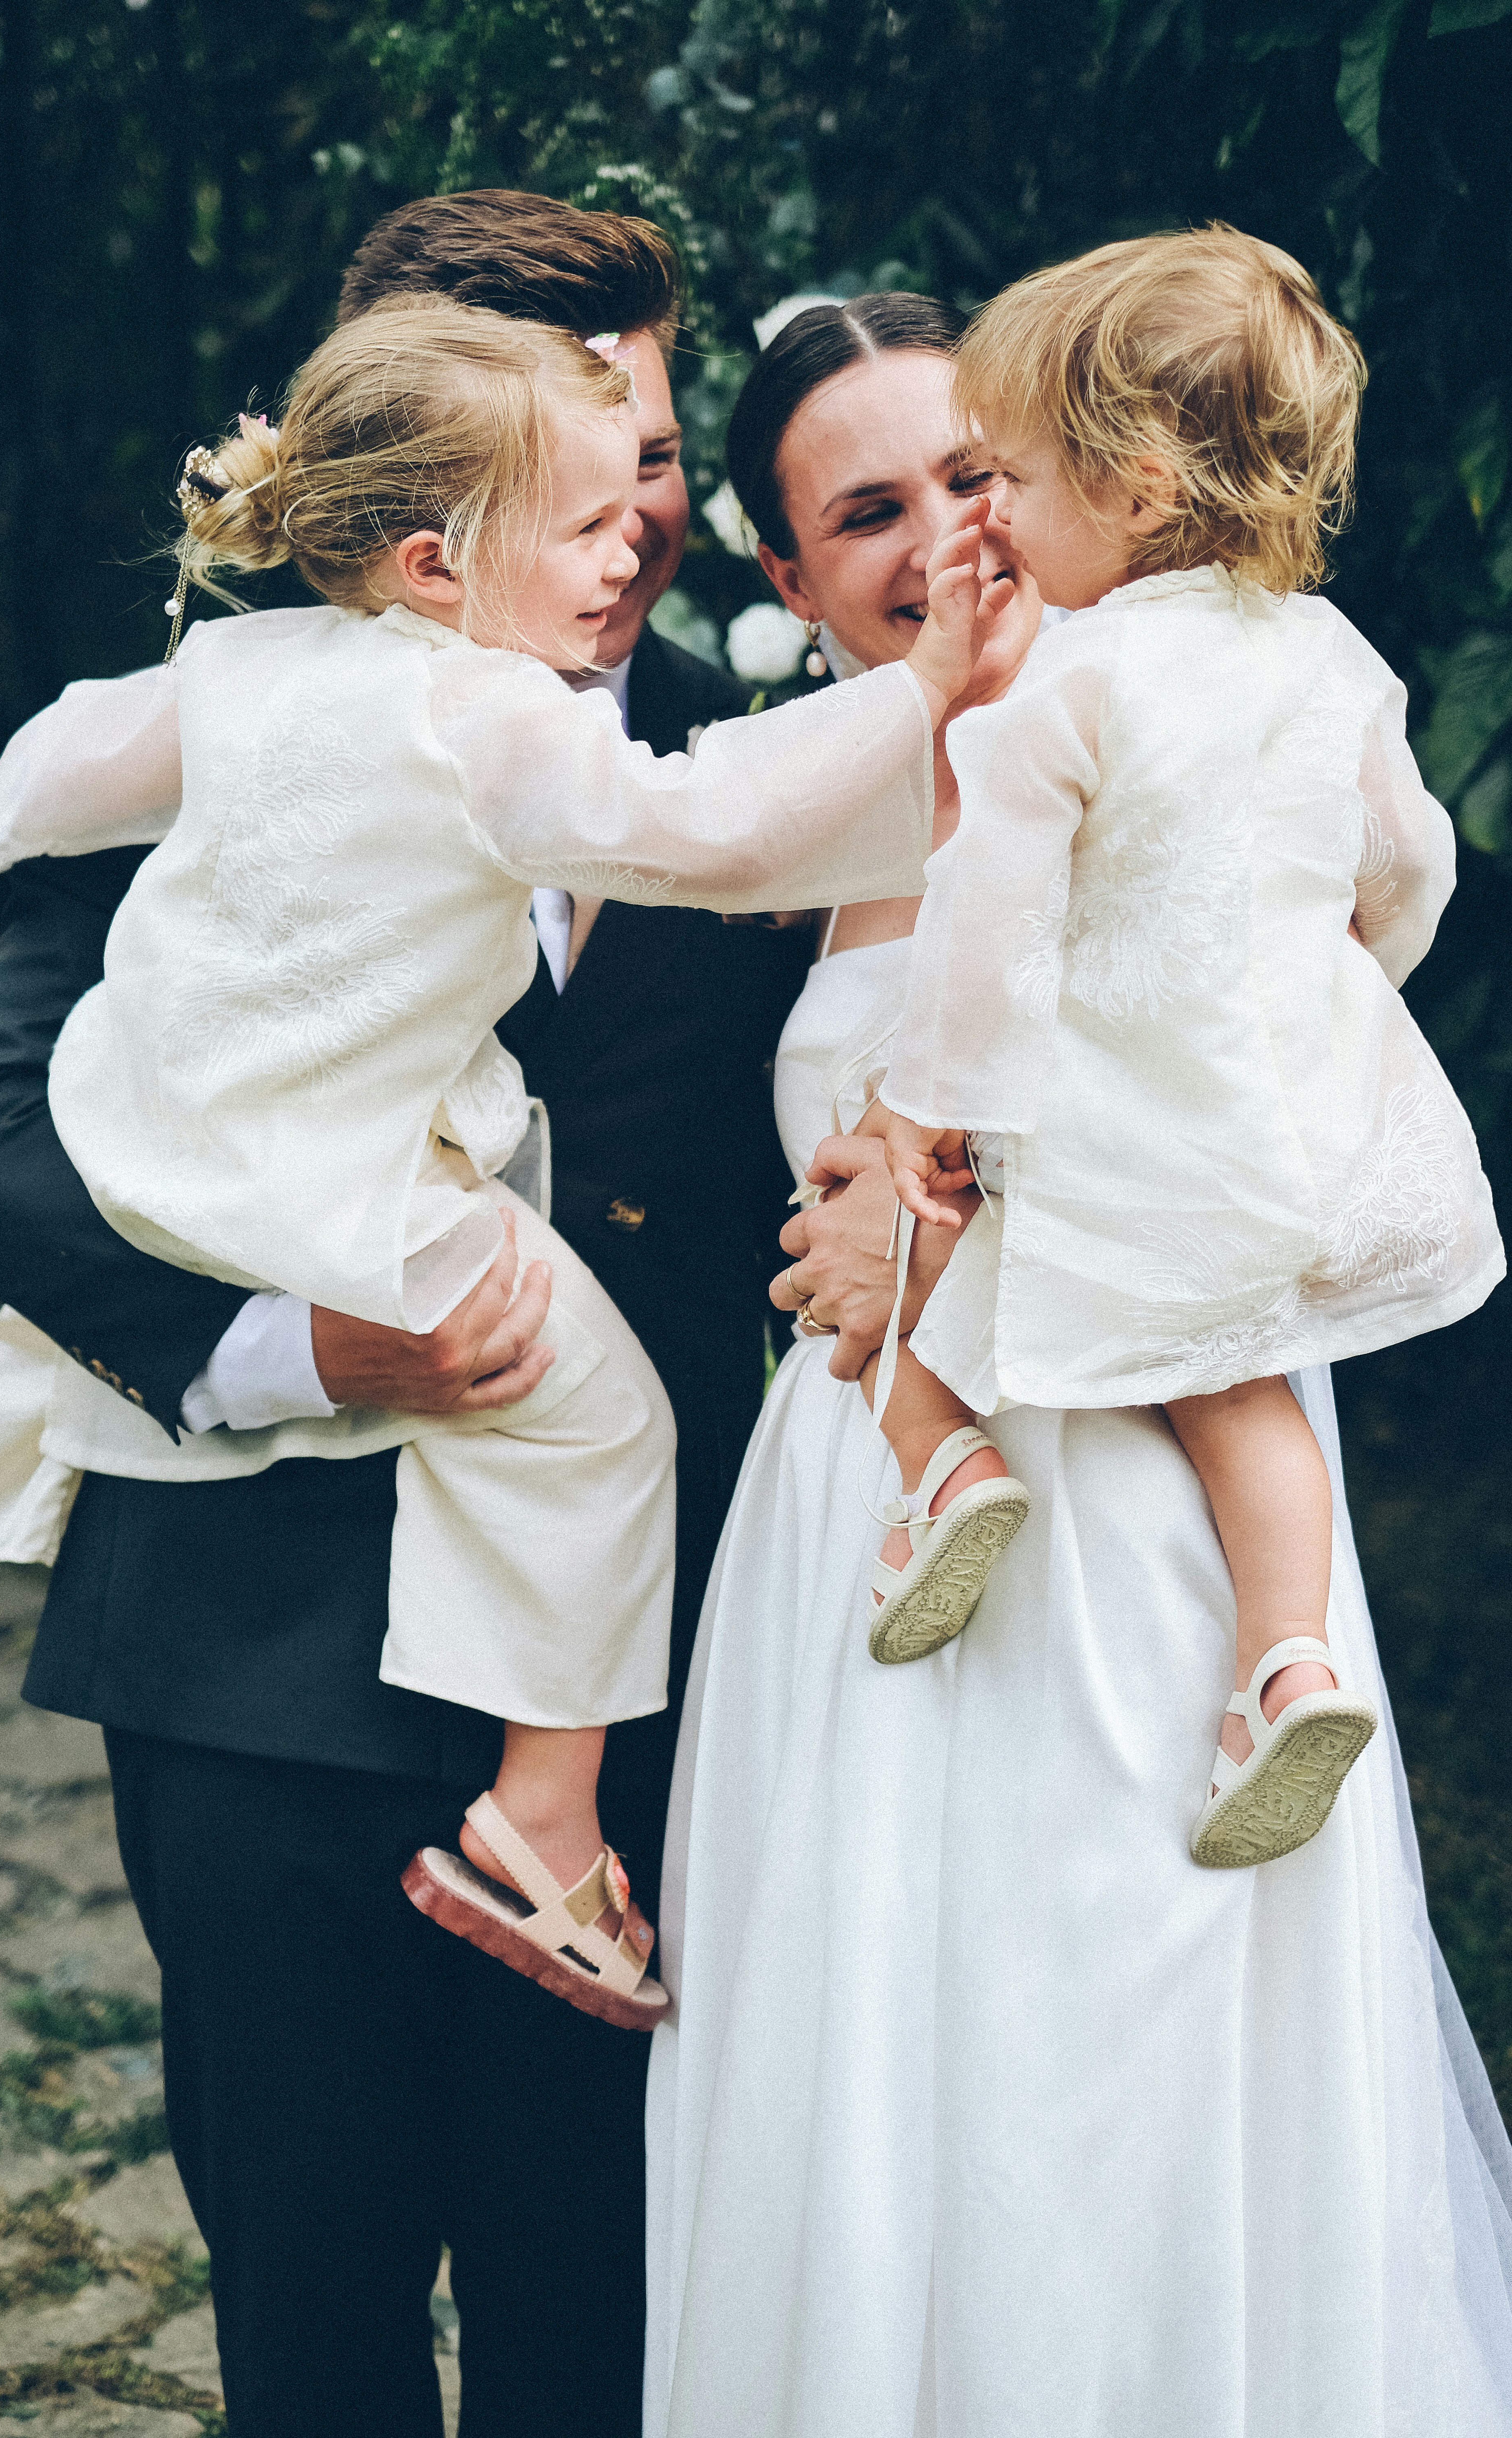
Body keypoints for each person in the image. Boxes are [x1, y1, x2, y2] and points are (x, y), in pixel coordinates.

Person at [0, 194, 806, 2438]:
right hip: (249, 1652)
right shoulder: (253, 714)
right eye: (582, 453)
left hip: (633, 1693)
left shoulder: (743, 769)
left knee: (607, 2288)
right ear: (413, 485)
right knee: (308, 2301)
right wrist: (293, 1352)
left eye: (662, 453)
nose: (641, 513)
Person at [646, 293, 1512, 2437]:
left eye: (973, 468)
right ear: (793, 582)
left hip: (1145, 1499)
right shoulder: (808, 816)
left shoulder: (1183, 723)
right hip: (867, 1515)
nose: (951, 526)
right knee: (880, 2063)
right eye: (872, 511)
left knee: (1133, 2034)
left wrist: (961, 1203)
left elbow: (1276, 1009)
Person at [0, 292, 975, 2025]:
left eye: (645, 481)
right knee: (603, 1416)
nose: (629, 539)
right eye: (585, 515)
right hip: (358, 1214)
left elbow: (71, 755)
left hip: (169, 1128)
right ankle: (539, 1813)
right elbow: (700, 826)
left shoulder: (241, 666)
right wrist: (921, 688)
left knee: (48, 1336)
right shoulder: (507, 719)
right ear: (432, 558)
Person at [866, 229, 1501, 1877]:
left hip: (1110, 1116)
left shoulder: (1069, 686)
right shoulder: (1329, 657)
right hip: (1275, 1117)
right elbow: (1411, 863)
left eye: (1004, 476)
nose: (981, 513)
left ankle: (943, 1472)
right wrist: (1339, 979)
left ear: (1138, 487)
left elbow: (984, 921)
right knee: (1244, 1395)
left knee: (928, 1315)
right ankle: (1286, 1663)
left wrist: (932, 1107)